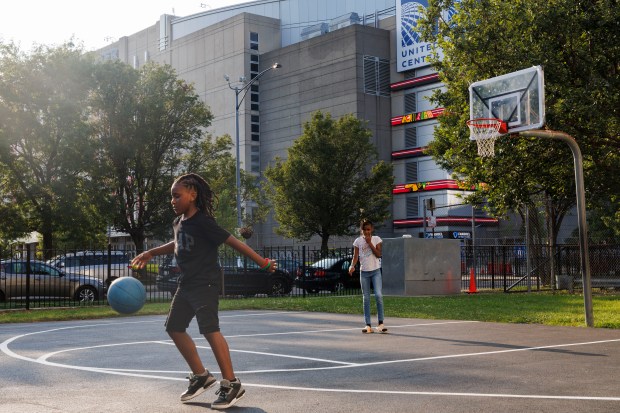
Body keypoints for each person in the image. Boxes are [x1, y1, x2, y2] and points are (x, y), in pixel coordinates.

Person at [131, 173, 277, 409]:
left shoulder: (204, 222)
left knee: (210, 330)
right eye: (171, 197)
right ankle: (201, 376)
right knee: (174, 328)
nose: (173, 200)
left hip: (205, 283)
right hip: (186, 284)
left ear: (193, 194)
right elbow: (177, 244)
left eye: (177, 196)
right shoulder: (179, 223)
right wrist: (151, 253)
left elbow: (234, 242)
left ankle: (231, 383)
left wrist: (263, 263)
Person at [349, 219, 387, 334]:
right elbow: (355, 256)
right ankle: (368, 325)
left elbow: (379, 254)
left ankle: (380, 324)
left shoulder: (377, 239)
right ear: (362, 230)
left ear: (372, 229)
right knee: (366, 298)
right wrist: (352, 266)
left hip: (375, 271)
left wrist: (370, 242)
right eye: (365, 230)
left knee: (378, 295)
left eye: (369, 229)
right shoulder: (358, 241)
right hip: (364, 273)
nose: (367, 232)